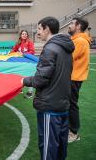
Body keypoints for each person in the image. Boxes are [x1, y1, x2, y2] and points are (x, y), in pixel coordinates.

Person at [21, 17, 74, 160]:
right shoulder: (66, 47)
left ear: (47, 29)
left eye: (39, 29)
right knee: (60, 148)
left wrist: (23, 80)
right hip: (63, 105)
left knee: (48, 148)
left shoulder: (50, 48)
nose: (37, 32)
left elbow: (40, 79)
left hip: (50, 107)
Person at [67, 17, 91, 143]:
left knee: (72, 105)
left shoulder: (80, 41)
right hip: (71, 77)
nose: (69, 25)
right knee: (68, 104)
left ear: (78, 26)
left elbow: (68, 57)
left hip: (74, 78)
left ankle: (74, 132)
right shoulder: (76, 40)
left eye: (71, 23)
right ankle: (70, 129)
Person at [11, 30, 35, 98]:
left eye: (25, 34)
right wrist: (10, 55)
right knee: (19, 74)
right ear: (20, 35)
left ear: (27, 35)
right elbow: (13, 50)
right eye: (23, 34)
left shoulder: (29, 42)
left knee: (29, 76)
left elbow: (32, 51)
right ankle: (20, 89)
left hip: (28, 62)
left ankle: (30, 92)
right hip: (20, 62)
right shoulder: (18, 43)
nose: (24, 35)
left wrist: (24, 54)